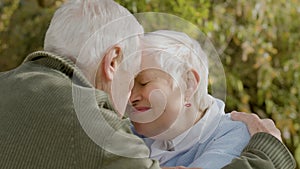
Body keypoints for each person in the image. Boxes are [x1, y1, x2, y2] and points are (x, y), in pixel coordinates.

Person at [0, 0, 295, 169]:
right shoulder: (93, 127)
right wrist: (269, 153)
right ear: (113, 62)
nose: (130, 96)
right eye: (132, 77)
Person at [129, 30, 296, 169]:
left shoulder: (235, 135)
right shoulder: (128, 133)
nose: (131, 97)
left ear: (189, 84)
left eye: (144, 82)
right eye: (127, 86)